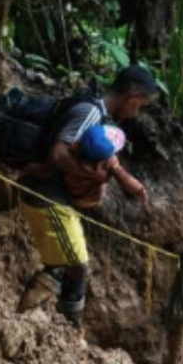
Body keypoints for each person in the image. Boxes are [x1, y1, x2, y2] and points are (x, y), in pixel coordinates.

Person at [17, 66, 157, 327]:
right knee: (77, 266)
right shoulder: (90, 111)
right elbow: (57, 155)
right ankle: (53, 325)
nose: (137, 111)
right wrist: (95, 177)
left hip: (56, 196)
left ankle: (48, 326)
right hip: (47, 194)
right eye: (140, 104)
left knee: (64, 265)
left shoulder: (100, 116)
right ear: (132, 94)